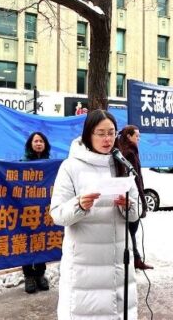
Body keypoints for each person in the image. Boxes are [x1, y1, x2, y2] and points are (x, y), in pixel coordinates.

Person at [50, 109, 139, 319]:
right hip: (84, 266)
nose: (107, 139)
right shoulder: (70, 167)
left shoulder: (121, 164)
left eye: (111, 132)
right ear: (88, 134)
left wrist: (128, 206)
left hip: (118, 262)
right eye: (101, 133)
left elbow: (137, 213)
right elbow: (57, 215)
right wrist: (79, 205)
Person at [118, 125, 153, 270]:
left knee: (131, 231)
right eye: (136, 136)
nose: (138, 138)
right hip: (131, 195)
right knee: (131, 230)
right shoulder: (128, 153)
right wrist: (141, 199)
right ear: (128, 136)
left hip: (133, 194)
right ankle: (134, 260)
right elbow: (134, 179)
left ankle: (136, 259)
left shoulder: (128, 151)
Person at [21, 132, 51, 294]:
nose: (38, 143)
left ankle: (40, 274)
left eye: (41, 141)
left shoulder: (50, 163)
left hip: (43, 209)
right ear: (30, 144)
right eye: (36, 141)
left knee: (42, 240)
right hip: (26, 208)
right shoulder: (23, 163)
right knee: (26, 243)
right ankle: (28, 276)